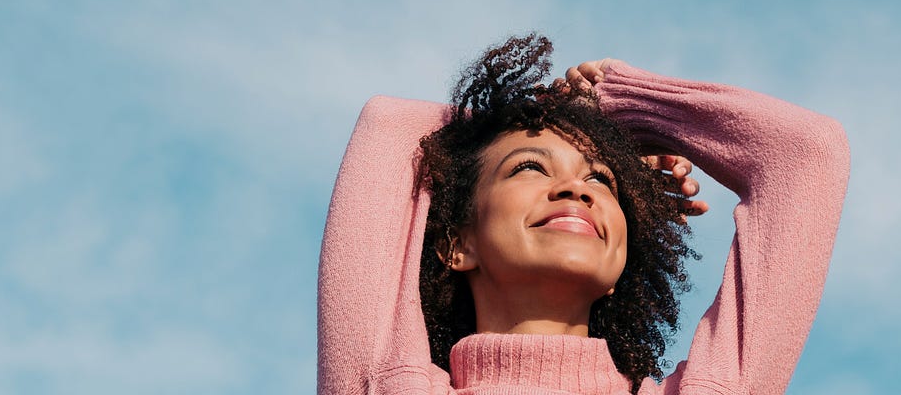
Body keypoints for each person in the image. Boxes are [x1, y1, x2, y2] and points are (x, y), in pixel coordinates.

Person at [319, 34, 850, 394]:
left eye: (603, 179)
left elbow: (806, 153)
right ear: (458, 244)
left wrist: (628, 106)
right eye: (529, 167)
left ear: (621, 265)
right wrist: (548, 111)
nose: (576, 186)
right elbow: (392, 128)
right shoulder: (388, 383)